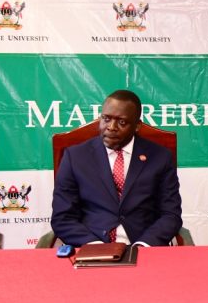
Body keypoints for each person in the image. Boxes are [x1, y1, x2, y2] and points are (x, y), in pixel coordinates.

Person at [51, 89, 182, 247]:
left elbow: (170, 215)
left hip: (144, 248)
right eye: (106, 118)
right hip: (92, 247)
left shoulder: (160, 157)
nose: (111, 127)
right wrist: (94, 246)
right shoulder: (75, 157)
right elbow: (62, 218)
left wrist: (144, 244)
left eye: (122, 122)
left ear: (137, 126)